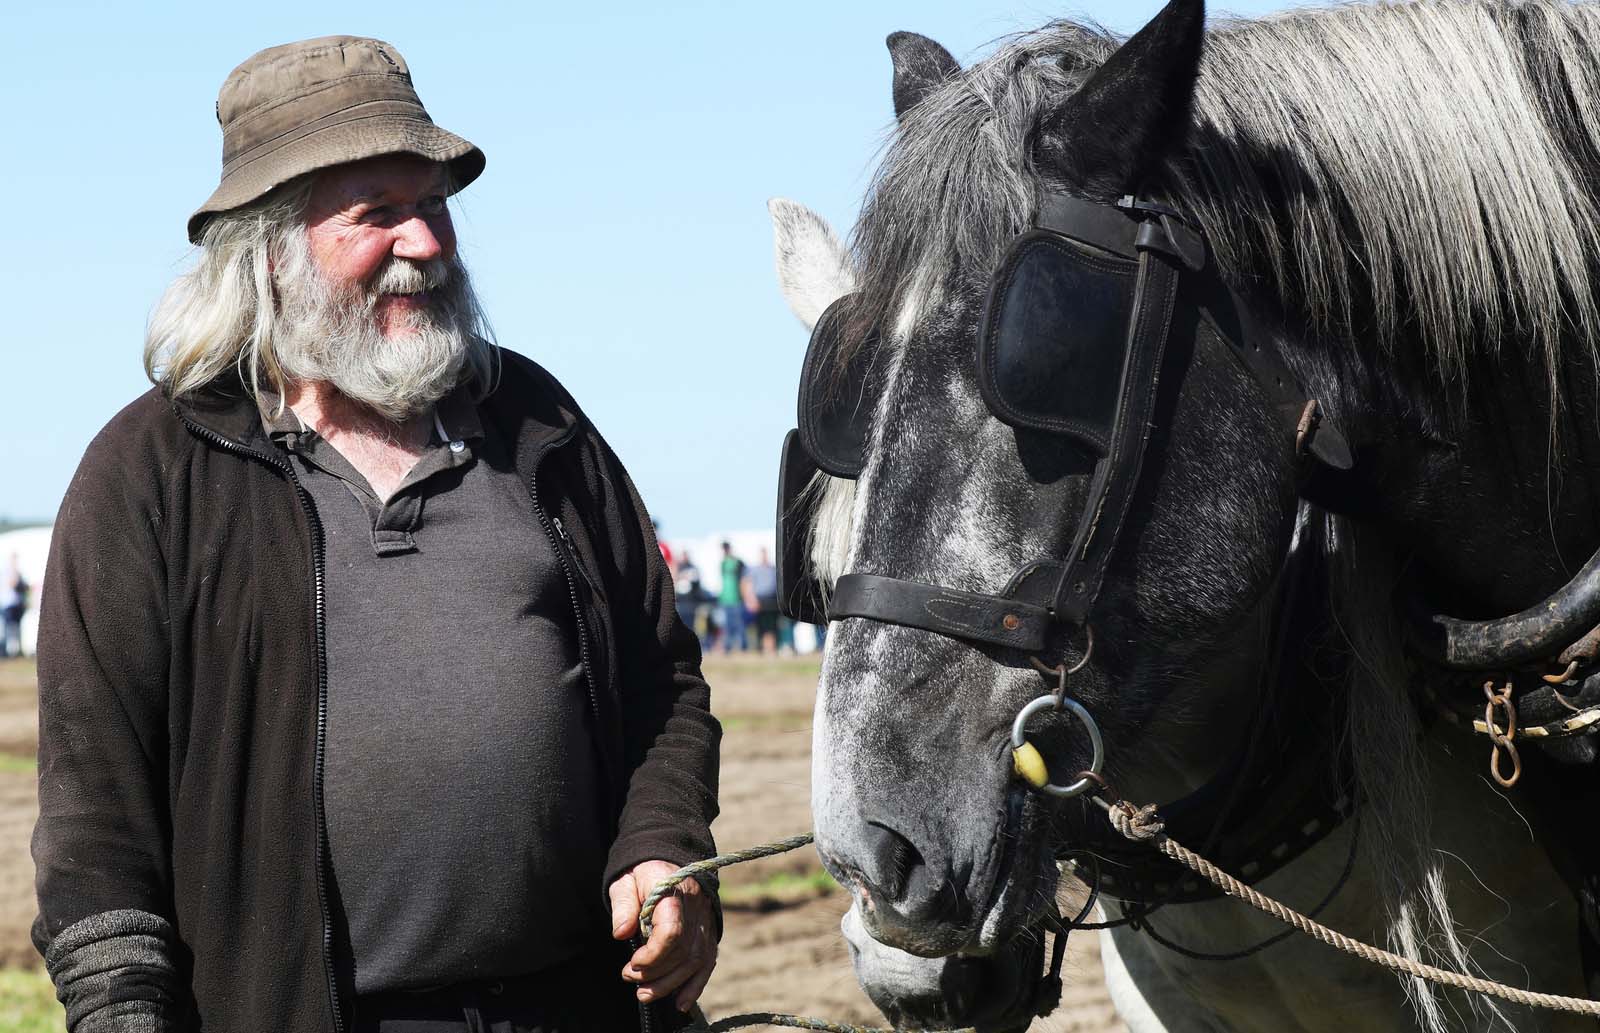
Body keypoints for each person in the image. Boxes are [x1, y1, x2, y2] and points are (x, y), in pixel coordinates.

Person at [32, 37, 720, 1033]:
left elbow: (662, 683)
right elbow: (97, 800)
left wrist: (664, 845)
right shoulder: (152, 472)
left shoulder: (536, 423)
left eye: (434, 205)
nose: (428, 244)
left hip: (576, 1009)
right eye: (378, 215)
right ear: (269, 250)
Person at [746, 547, 780, 655]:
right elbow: (749, 585)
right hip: (759, 601)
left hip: (772, 601)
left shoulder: (773, 569)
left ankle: (772, 649)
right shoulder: (754, 570)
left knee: (772, 626)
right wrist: (751, 600)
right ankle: (764, 649)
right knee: (762, 627)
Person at [717, 541, 747, 653]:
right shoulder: (722, 563)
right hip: (725, 600)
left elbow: (744, 581)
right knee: (727, 627)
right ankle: (727, 648)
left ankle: (743, 648)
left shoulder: (738, 562)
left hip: (737, 599)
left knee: (739, 625)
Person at [1, 555, 26, 658]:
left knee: (17, 628)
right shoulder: (7, 572)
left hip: (16, 605)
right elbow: (12, 584)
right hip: (8, 605)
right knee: (9, 628)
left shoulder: (17, 572)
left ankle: (17, 650)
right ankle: (7, 652)